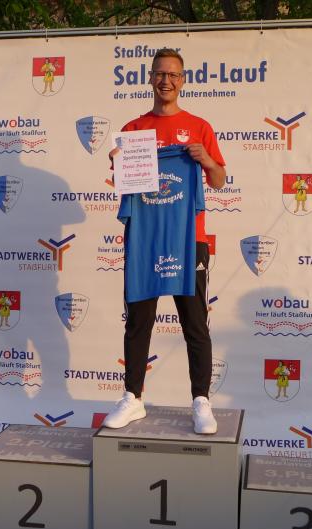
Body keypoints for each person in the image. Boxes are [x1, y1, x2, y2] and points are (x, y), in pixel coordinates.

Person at [104, 48, 227, 434]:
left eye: (173, 75)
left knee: (195, 322)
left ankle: (201, 400)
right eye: (160, 74)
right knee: (138, 320)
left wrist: (207, 160)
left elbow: (219, 180)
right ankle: (133, 397)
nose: (166, 81)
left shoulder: (200, 127)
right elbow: (124, 186)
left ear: (183, 80)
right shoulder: (134, 130)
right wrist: (119, 162)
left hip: (190, 238)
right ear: (150, 78)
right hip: (145, 238)